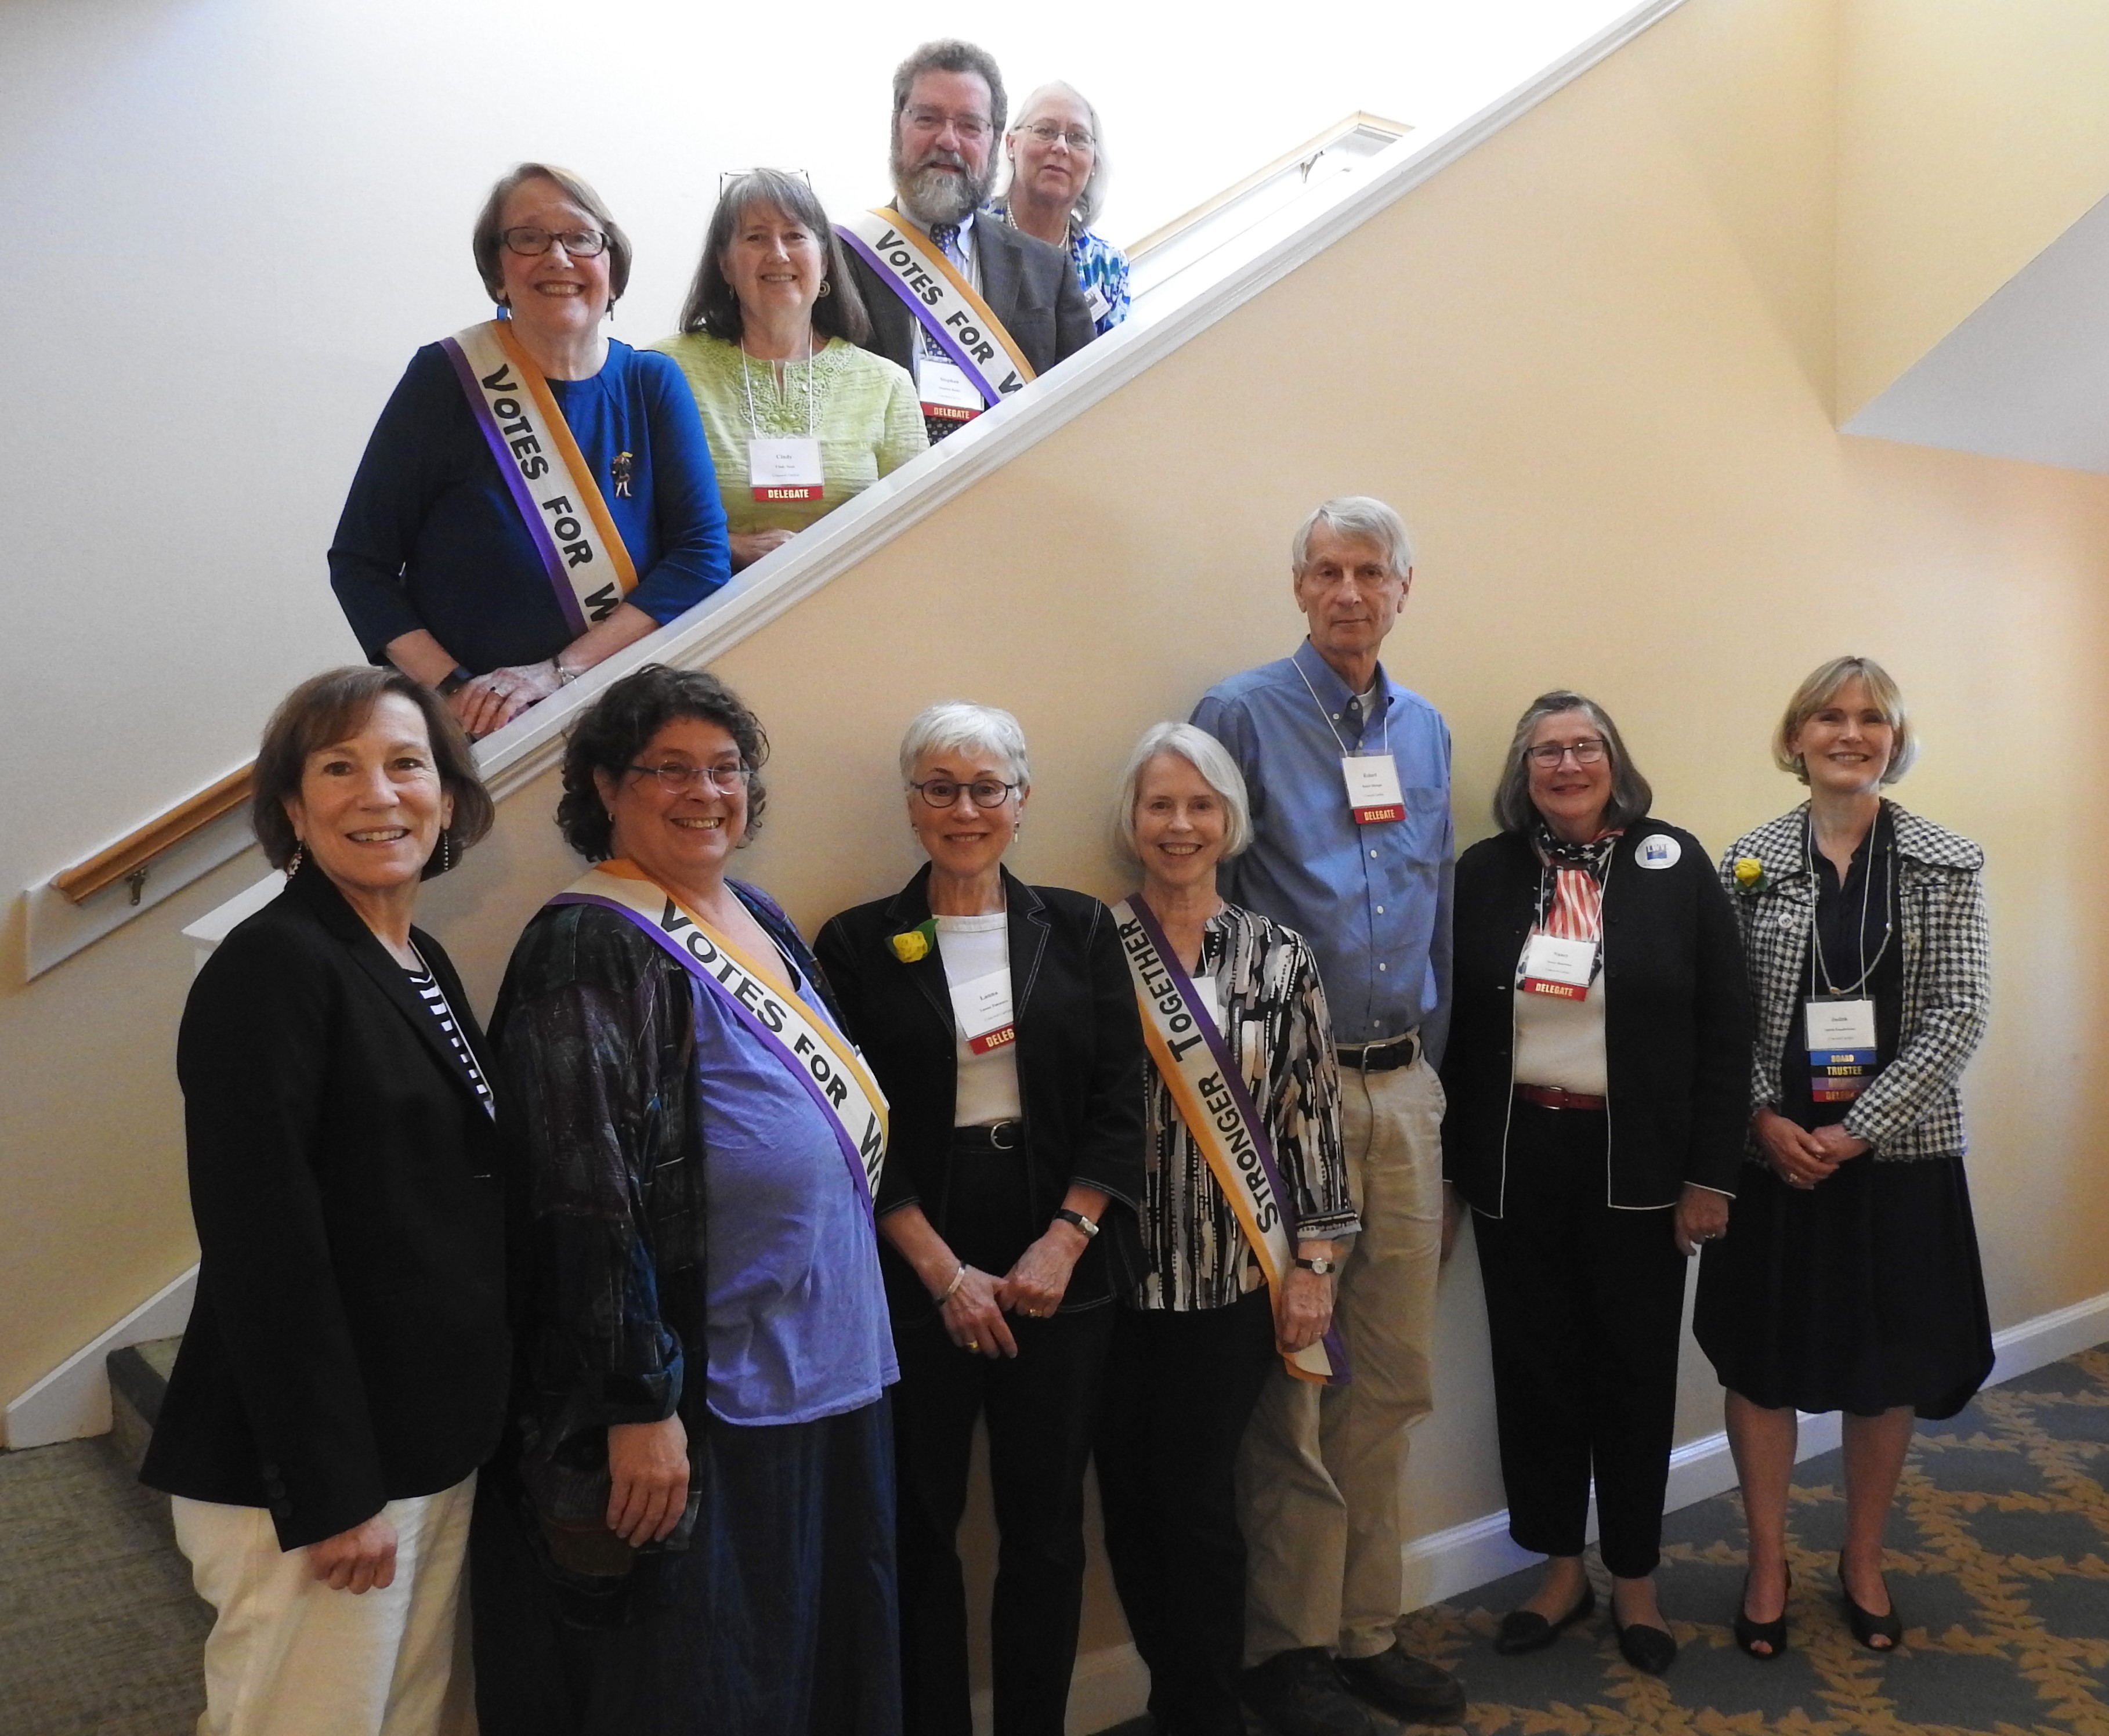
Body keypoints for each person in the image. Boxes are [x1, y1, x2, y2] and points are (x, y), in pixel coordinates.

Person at [471, 665, 900, 1735]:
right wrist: (635, 1401)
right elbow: (581, 1192)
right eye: (670, 770)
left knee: (816, 1663)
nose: (706, 792)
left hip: (830, 1368)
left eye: (725, 769)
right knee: (714, 1680)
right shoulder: (587, 943)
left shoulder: (753, 910)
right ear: (607, 788)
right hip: (709, 1397)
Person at [139, 667, 504, 1736]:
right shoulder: (274, 968)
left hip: (423, 1439)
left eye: (406, 764)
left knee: (403, 1718)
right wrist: (331, 1486)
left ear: (446, 794)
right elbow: (267, 1246)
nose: (378, 793)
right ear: (292, 808)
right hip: (316, 1469)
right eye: (338, 768)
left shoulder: (414, 954)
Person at [815, 702, 1145, 1736]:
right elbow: (850, 1123)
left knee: (1046, 1528)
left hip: (1061, 1253)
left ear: (1022, 800)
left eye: (986, 786)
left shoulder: (1081, 927)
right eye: (941, 786)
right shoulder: (859, 942)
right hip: (918, 1254)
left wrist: (1065, 1236)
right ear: (913, 805)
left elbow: (1120, 1102)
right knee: (920, 1524)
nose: (965, 807)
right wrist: (940, 1271)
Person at [1191, 496, 1466, 1734]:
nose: (1348, 591)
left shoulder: (1426, 730)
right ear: (1296, 587)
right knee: (1292, 1383)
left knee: (1389, 1379)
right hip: (1281, 1100)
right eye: (1325, 570)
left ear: (1403, 590)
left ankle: (1365, 1629)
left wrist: (1433, 1078)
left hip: (1404, 1087)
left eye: (1370, 572)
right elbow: (1203, 894)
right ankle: (1287, 1645)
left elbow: (1435, 912)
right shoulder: (1238, 714)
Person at [1440, 692, 1750, 1677]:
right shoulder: (1486, 873)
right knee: (1532, 1372)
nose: (1566, 764)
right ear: (1522, 770)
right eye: (1546, 750)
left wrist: (1710, 1173)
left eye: (1584, 746)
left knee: (1631, 1373)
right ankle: (1560, 1568)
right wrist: (1452, 1172)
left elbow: (1726, 1025)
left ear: (1614, 759)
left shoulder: (1675, 862)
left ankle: (1639, 1577)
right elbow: (1454, 1023)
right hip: (1516, 1161)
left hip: (1641, 1171)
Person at [1696, 656, 1992, 1660]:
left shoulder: (1949, 862)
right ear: (1796, 738)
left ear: (1895, 742)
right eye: (1831, 715)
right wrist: (1761, 1121)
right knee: (1763, 1363)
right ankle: (1769, 1559)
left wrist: (1859, 1126)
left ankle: (1862, 1556)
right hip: (1773, 1156)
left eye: (1873, 719)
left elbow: (1960, 1012)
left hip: (1897, 1158)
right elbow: (1720, 1013)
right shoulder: (1744, 862)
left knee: (1886, 1366)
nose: (1851, 733)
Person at [1095, 722, 1360, 1736]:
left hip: (1233, 1283)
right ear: (1132, 818)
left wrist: (1317, 1266)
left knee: (1198, 1500)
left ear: (1230, 822)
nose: (1179, 824)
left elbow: (1311, 1119)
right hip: (1114, 1283)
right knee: (1127, 1501)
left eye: (1200, 805)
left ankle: (1207, 1705)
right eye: (1160, 804)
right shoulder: (1090, 943)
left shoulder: (1277, 953)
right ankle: (1175, 1692)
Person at [330, 163, 730, 740]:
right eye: (528, 238)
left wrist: (557, 673)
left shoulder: (651, 383)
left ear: (612, 268)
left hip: (627, 715)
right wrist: (455, 692)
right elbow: (360, 565)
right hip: (475, 732)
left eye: (580, 238)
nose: (558, 257)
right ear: (497, 271)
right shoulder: (445, 379)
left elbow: (701, 557)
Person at [653, 169, 925, 574]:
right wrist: (729, 547)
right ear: (724, 265)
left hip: (852, 609)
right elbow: (632, 518)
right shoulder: (665, 372)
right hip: (705, 617)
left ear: (825, 261)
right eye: (756, 237)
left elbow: (915, 525)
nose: (778, 254)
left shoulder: (887, 385)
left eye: (795, 236)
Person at [837, 41, 1096, 445]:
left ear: (995, 142)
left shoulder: (1049, 271)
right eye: (927, 119)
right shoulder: (839, 259)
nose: (948, 140)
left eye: (970, 126)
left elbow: (1088, 416)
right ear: (896, 127)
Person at [988, 82, 1130, 335]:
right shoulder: (967, 229)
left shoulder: (1107, 266)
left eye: (1078, 138)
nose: (1061, 147)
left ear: (1094, 161)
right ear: (1011, 144)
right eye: (1045, 131)